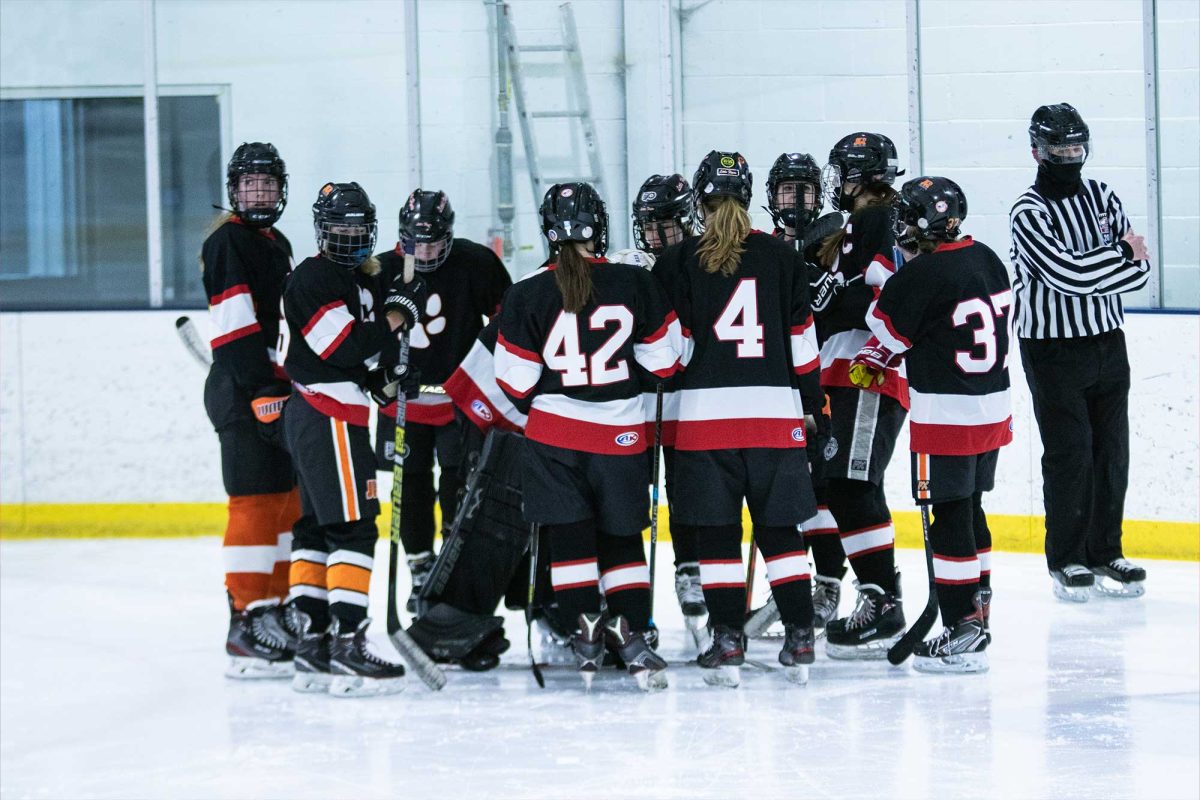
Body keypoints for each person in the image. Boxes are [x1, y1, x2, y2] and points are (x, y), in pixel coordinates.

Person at [494, 181, 685, 691]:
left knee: (571, 536)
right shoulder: (633, 283)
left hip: (553, 435)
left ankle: (583, 632)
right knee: (621, 538)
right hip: (620, 435)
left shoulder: (526, 292)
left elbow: (513, 381)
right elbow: (666, 364)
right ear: (598, 225)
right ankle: (631, 632)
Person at [653, 151, 823, 687]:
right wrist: (814, 410)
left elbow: (671, 352)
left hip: (706, 420)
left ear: (699, 201)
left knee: (718, 532)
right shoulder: (782, 256)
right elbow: (803, 349)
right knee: (781, 530)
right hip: (775, 416)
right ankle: (798, 635)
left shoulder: (677, 262)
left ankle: (727, 637)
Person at [279, 181, 425, 697]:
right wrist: (395, 317)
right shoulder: (314, 278)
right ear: (322, 229)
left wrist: (381, 381)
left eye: (358, 226)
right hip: (326, 416)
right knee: (355, 530)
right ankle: (346, 643)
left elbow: (354, 360)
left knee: (317, 529)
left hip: (329, 410)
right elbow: (341, 346)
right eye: (340, 225)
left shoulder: (356, 282)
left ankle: (313, 644)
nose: (349, 234)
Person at [863, 176, 1012, 673]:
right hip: (993, 410)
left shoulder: (923, 274)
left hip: (945, 417)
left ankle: (962, 628)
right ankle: (978, 614)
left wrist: (889, 283)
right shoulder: (986, 256)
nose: (900, 222)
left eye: (907, 214)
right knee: (970, 508)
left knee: (946, 518)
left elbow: (883, 327)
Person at [1010, 103, 1150, 601]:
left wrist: (1106, 266)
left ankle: (1105, 550)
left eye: (1075, 147)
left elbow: (1142, 271)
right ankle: (1066, 558)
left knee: (1112, 452)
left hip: (1108, 339)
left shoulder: (1103, 195)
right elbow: (1067, 277)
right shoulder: (1028, 211)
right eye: (1058, 148)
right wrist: (1119, 258)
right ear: (1037, 151)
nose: (1069, 156)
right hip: (1050, 348)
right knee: (1071, 454)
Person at [373, 189, 512, 612]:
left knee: (460, 486)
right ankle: (419, 568)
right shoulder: (379, 269)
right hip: (402, 403)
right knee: (410, 487)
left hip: (459, 404)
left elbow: (507, 320)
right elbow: (364, 334)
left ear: (450, 234)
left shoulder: (475, 262)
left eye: (435, 241)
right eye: (417, 242)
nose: (426, 250)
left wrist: (486, 375)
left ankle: (449, 569)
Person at [200, 142, 301, 679]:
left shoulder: (276, 241)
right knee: (255, 504)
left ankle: (274, 606)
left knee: (289, 503)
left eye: (267, 184)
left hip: (277, 389)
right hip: (245, 394)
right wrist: (261, 387)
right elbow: (237, 321)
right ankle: (244, 619)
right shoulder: (228, 242)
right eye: (250, 185)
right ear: (233, 191)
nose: (259, 193)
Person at [811, 132, 910, 659]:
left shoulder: (881, 221)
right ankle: (877, 595)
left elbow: (889, 291)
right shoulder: (864, 224)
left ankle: (882, 601)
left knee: (852, 485)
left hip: (867, 373)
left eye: (841, 172)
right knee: (839, 484)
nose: (836, 184)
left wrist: (832, 300)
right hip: (845, 373)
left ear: (859, 176)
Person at [761, 151, 844, 632]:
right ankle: (788, 585)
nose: (796, 200)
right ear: (772, 197)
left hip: (817, 386)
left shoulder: (832, 241)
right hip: (772, 390)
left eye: (805, 190)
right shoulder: (765, 249)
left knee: (820, 490)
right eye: (788, 190)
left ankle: (829, 580)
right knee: (778, 495)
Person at [627, 174, 709, 643]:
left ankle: (690, 568)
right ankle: (629, 589)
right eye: (649, 226)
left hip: (691, 399)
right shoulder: (633, 266)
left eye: (666, 224)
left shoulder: (703, 264)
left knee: (687, 492)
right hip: (640, 403)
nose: (656, 235)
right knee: (630, 497)